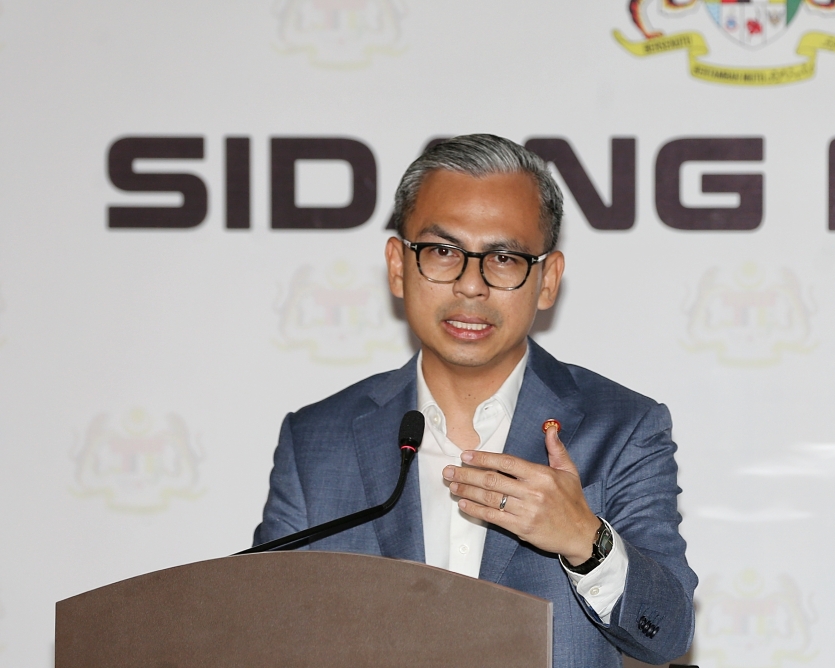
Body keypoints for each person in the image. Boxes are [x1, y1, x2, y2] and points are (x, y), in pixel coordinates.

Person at [254, 134, 696, 667]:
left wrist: (584, 538)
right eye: (443, 252)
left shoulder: (622, 428)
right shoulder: (316, 442)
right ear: (398, 265)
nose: (470, 286)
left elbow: (667, 633)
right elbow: (264, 631)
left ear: (547, 279)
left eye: (504, 258)